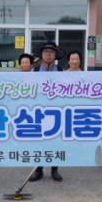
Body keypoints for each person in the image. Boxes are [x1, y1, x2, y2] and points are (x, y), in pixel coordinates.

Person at [29, 42, 63, 182]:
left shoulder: (60, 70)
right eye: (46, 52)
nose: (48, 54)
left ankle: (55, 170)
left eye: (51, 52)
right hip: (39, 111)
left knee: (56, 141)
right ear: (41, 54)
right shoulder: (35, 71)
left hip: (56, 111)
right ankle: (38, 170)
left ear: (55, 55)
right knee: (39, 142)